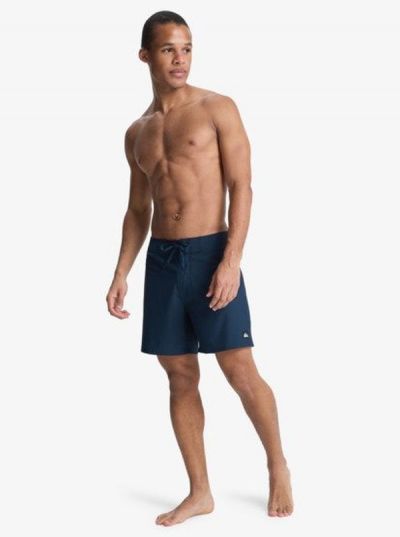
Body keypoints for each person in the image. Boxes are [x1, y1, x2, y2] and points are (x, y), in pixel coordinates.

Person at [106, 10, 294, 526]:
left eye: (187, 48)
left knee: (238, 368)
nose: (180, 59)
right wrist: (121, 271)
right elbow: (137, 209)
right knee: (179, 375)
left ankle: (277, 464)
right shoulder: (137, 131)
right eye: (169, 49)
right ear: (145, 55)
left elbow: (242, 186)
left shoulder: (217, 108)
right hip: (163, 261)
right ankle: (200, 492)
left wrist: (232, 259)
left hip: (212, 251)